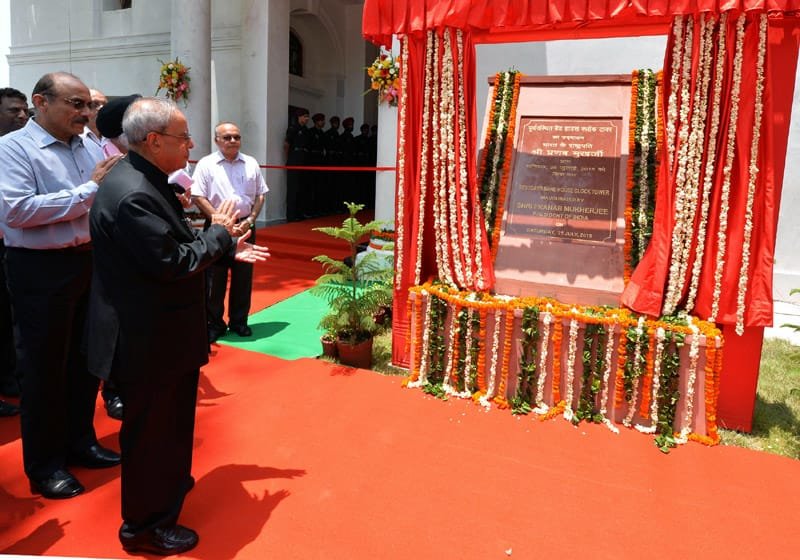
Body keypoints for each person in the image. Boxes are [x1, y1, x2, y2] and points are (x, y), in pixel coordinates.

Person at [87, 97, 269, 555]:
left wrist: (222, 247)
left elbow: (177, 242)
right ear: (153, 141)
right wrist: (220, 235)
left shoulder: (146, 180)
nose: (191, 146)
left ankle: (166, 489)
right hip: (148, 340)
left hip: (163, 335)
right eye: (183, 138)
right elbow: (173, 261)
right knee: (152, 436)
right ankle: (145, 527)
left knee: (167, 430)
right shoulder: (131, 193)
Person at [0, 72, 123, 499]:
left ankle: (81, 441)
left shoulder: (89, 143)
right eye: (75, 104)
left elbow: (106, 195)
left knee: (86, 363)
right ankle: (44, 464)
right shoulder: (12, 149)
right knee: (43, 371)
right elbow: (18, 211)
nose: (86, 113)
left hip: (89, 263)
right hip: (39, 269)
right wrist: (91, 189)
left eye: (87, 105)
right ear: (40, 102)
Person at [91, 94, 142, 421]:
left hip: (134, 253)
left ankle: (129, 380)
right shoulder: (104, 156)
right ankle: (112, 390)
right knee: (111, 324)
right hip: (107, 252)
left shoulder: (130, 155)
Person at [192, 122, 268, 342]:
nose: (233, 141)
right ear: (217, 140)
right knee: (214, 279)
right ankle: (214, 324)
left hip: (245, 226)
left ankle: (239, 322)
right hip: (217, 227)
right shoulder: (207, 164)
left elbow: (260, 194)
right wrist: (220, 220)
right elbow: (198, 196)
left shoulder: (251, 163)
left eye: (236, 137)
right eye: (227, 137)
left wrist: (252, 219)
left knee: (243, 278)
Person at [0, 87, 29, 416]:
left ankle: (9, 377)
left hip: (12, 246)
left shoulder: (23, 150)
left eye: (24, 111)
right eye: (13, 111)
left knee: (8, 317)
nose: (21, 117)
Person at [283, 108, 310, 221]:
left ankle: (299, 213)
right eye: (305, 116)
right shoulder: (293, 129)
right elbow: (286, 145)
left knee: (301, 188)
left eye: (307, 116)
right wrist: (288, 159)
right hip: (294, 160)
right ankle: (291, 215)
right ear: (299, 117)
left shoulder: (306, 130)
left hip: (303, 160)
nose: (307, 119)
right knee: (293, 189)